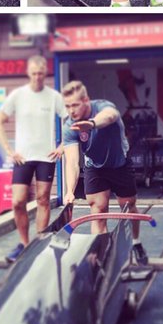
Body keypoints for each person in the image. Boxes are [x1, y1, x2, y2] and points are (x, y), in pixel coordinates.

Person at [53, 81, 147, 263]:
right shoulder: (69, 127)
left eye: (75, 105)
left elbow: (110, 116)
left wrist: (92, 124)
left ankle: (136, 242)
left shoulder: (103, 107)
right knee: (98, 210)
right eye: (68, 106)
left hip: (120, 164)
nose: (71, 111)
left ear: (86, 100)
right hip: (95, 168)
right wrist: (70, 191)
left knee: (128, 207)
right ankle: (101, 254)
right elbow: (72, 161)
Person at [0, 56, 67, 263]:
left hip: (46, 156)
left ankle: (40, 243)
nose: (37, 77)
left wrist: (63, 146)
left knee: (43, 200)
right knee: (18, 202)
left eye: (41, 73)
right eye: (34, 73)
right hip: (22, 158)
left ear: (45, 73)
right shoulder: (18, 95)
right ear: (28, 73)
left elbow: (70, 119)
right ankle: (25, 244)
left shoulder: (54, 96)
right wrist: (9, 149)